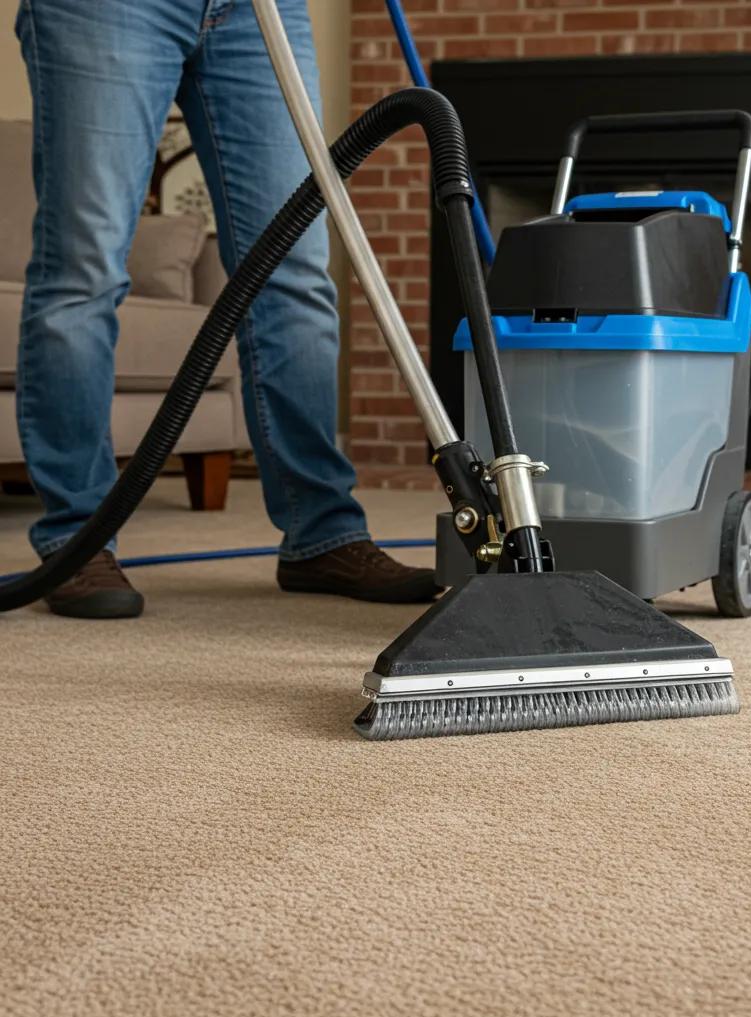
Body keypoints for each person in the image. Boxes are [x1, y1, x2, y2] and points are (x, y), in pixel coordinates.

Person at [14, 0, 437, 618]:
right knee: (84, 271)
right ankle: (76, 541)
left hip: (258, 11)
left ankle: (322, 533)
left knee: (294, 269)